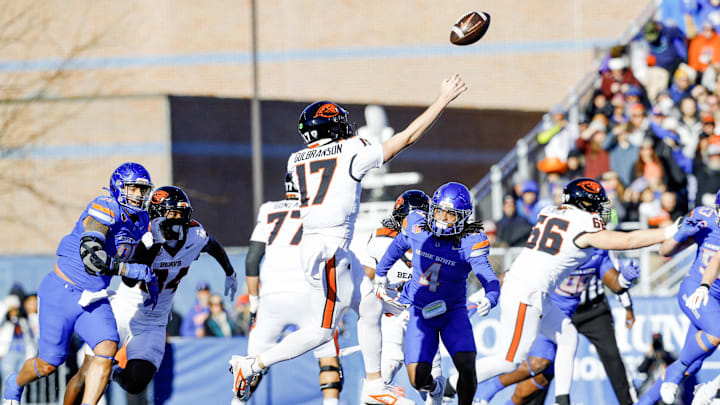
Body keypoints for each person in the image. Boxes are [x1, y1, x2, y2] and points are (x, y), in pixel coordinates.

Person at [229, 74, 467, 405]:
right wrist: (442, 99)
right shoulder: (352, 149)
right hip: (327, 249)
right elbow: (407, 138)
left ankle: (374, 385)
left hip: (323, 246)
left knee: (369, 304)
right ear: (332, 128)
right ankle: (252, 364)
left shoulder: (295, 160)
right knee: (323, 332)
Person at [473, 177, 677, 405]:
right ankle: (455, 382)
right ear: (585, 204)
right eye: (596, 204)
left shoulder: (551, 212)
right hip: (531, 294)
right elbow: (628, 239)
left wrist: (625, 286)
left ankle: (563, 400)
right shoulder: (585, 227)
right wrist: (670, 231)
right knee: (511, 361)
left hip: (553, 298)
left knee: (568, 337)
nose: (602, 211)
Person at [62, 186, 237, 403]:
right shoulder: (141, 235)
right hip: (124, 310)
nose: (178, 219)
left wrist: (230, 271)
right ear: (156, 214)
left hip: (154, 321)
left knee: (136, 382)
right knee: (85, 374)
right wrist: (151, 244)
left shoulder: (195, 234)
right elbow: (129, 279)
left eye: (181, 214)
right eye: (172, 214)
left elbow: (213, 246)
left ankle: (113, 372)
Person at [2, 162, 158, 405]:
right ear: (118, 187)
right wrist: (129, 269)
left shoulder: (141, 220)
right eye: (133, 188)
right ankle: (15, 383)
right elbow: (92, 255)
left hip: (94, 296)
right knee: (48, 364)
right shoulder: (105, 206)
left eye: (142, 189)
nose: (138, 194)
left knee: (107, 349)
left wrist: (148, 273)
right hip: (61, 292)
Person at [375, 182, 499, 405]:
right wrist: (381, 272)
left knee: (467, 363)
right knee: (417, 378)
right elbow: (397, 245)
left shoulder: (471, 240)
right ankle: (435, 387)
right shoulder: (417, 225)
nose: (442, 218)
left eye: (450, 214)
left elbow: (486, 274)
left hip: (453, 311)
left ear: (463, 218)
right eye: (439, 211)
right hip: (420, 311)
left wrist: (491, 296)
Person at [474, 251, 639, 405]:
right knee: (537, 365)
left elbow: (616, 279)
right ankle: (483, 386)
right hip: (550, 310)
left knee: (609, 357)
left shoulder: (598, 249)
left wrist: (625, 287)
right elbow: (514, 273)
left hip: (591, 310)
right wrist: (478, 297)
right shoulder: (559, 244)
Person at [240, 175, 342, 405]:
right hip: (309, 293)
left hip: (272, 296)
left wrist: (254, 302)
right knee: (328, 357)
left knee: (251, 364)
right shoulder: (320, 210)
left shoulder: (268, 209)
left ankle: (237, 402)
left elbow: (252, 260)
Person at [637, 191, 720, 404]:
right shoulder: (704, 217)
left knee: (694, 364)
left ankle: (643, 402)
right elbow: (665, 250)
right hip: (697, 290)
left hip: (714, 297)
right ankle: (707, 389)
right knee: (716, 333)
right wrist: (680, 235)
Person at [361, 189, 445, 392]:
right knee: (386, 368)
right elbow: (367, 274)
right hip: (392, 312)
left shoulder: (441, 243)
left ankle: (438, 392)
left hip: (424, 314)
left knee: (425, 379)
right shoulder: (380, 240)